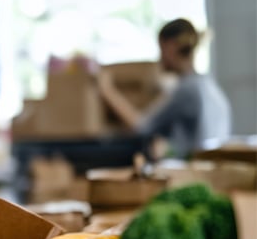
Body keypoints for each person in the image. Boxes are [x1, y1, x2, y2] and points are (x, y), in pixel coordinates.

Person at [98, 18, 231, 159]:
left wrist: (107, 91)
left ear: (171, 47)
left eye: (161, 49)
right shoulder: (209, 86)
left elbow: (141, 128)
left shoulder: (186, 89)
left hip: (192, 170)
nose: (159, 57)